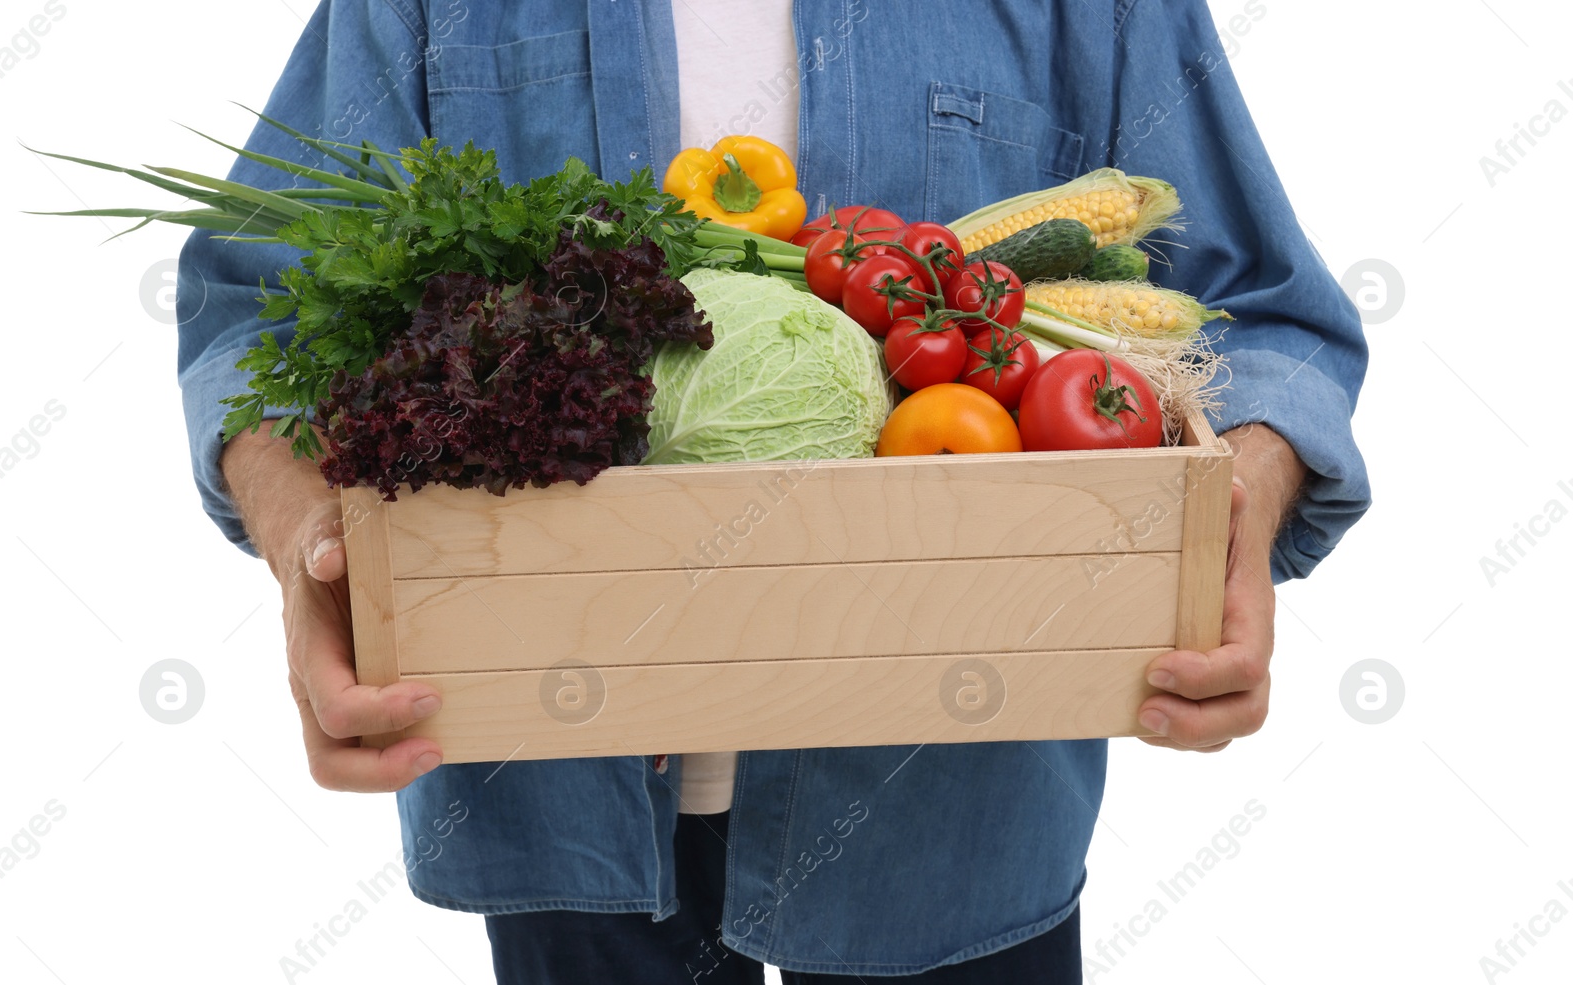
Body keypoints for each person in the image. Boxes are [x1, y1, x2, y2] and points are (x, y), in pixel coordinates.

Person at [177, 1, 1370, 981]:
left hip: (958, 788)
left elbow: (1265, 313)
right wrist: (306, 546)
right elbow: (252, 307)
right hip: (551, 775)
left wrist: (1236, 520)